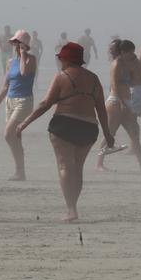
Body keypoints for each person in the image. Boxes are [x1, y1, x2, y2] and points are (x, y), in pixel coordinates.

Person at [15, 42, 113, 221]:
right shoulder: (94, 78)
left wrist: (24, 123)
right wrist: (108, 134)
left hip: (64, 124)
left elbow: (45, 104)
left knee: (65, 166)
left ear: (66, 59)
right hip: (89, 127)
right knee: (78, 168)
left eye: (61, 57)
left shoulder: (61, 77)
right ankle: (73, 207)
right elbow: (101, 108)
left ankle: (71, 209)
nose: (59, 60)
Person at [95, 39, 141, 172]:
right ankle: (99, 164)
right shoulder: (116, 64)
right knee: (110, 133)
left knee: (133, 133)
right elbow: (114, 85)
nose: (110, 52)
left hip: (126, 102)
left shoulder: (125, 63)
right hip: (116, 102)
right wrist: (123, 103)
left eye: (112, 50)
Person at [0, 30, 36, 181]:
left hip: (24, 101)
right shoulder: (10, 62)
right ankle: (20, 172)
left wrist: (22, 54)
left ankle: (20, 169)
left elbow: (23, 73)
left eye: (18, 43)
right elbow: (5, 86)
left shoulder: (31, 60)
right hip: (10, 100)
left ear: (24, 45)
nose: (15, 45)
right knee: (16, 137)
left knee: (8, 134)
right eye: (15, 43)